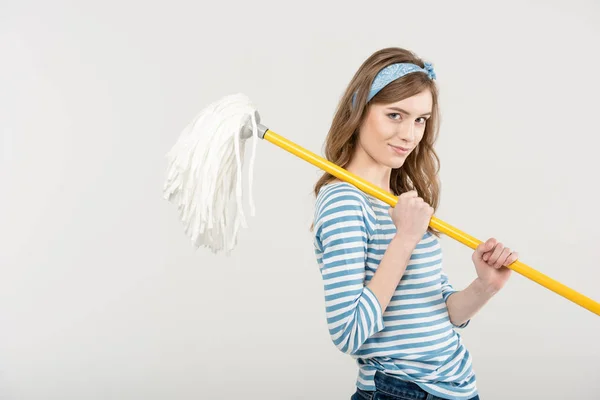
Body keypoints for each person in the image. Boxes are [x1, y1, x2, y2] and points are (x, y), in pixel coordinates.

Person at [311, 47, 519, 400]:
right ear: (358, 110)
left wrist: (485, 286)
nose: (410, 134)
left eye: (420, 119)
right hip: (401, 391)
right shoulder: (344, 202)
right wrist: (404, 239)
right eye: (395, 115)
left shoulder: (401, 198)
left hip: (456, 386)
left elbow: (441, 313)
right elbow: (348, 332)